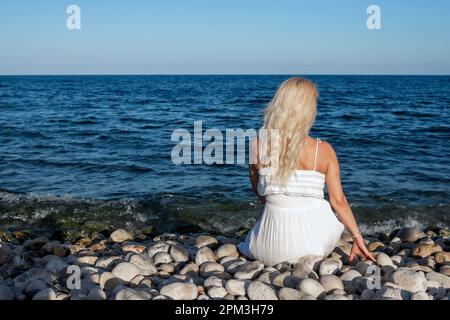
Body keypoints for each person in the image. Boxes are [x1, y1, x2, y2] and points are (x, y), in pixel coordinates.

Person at [237, 77, 375, 267]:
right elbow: (338, 201)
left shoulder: (258, 145)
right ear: (308, 110)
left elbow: (258, 189)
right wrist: (357, 237)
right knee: (326, 207)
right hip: (313, 245)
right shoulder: (324, 150)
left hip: (266, 249)